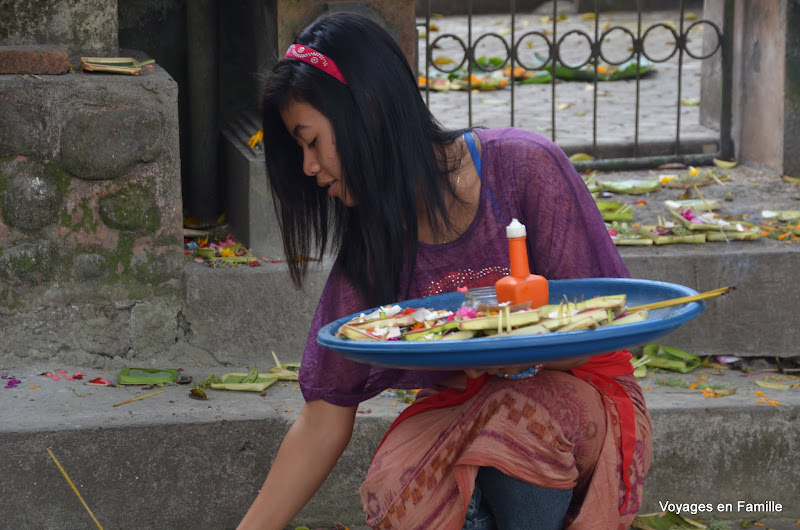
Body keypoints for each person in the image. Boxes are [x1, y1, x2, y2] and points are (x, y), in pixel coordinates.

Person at [239, 11, 652, 530]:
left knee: (512, 425)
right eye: (299, 149)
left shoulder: (525, 169)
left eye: (312, 141)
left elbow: (616, 326)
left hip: (580, 403)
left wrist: (512, 351)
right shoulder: (374, 243)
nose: (307, 166)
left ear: (366, 112)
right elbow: (324, 414)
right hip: (467, 418)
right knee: (399, 479)